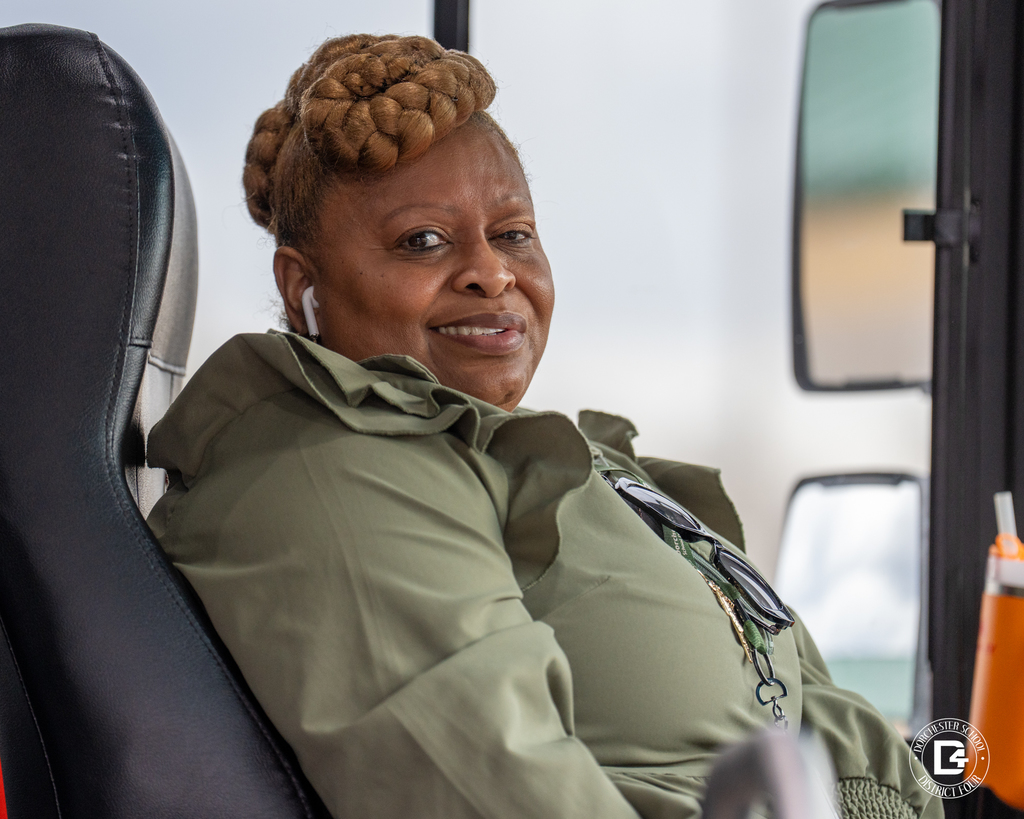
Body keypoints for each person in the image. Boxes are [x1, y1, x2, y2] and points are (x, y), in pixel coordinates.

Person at [147, 33, 941, 819]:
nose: (492, 271)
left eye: (513, 233)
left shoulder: (500, 447)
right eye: (422, 241)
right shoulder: (329, 473)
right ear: (301, 287)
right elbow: (488, 784)